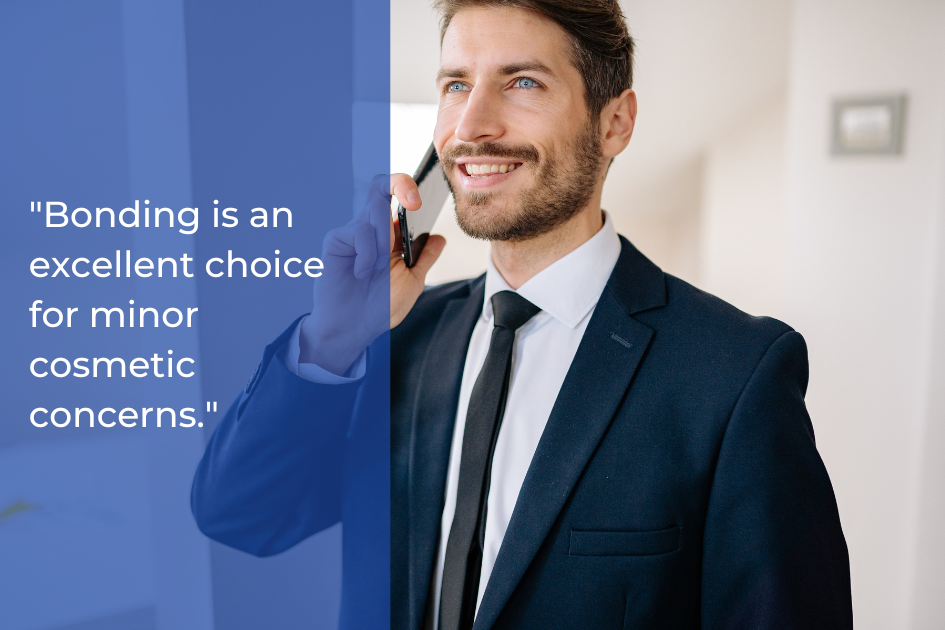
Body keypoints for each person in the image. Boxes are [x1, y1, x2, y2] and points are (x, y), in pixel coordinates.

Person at [192, 0, 853, 628]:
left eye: (523, 83)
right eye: (455, 84)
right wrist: (331, 338)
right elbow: (241, 515)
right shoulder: (394, 341)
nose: (470, 125)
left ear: (614, 122)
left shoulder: (731, 374)